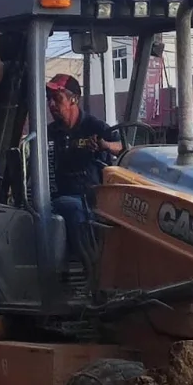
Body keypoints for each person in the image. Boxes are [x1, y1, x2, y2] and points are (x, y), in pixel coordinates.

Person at [44, 73, 122, 273]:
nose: (52, 104)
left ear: (74, 99)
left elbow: (122, 146)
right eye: (49, 99)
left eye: (57, 98)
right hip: (59, 197)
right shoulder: (50, 133)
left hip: (94, 198)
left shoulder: (94, 126)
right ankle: (85, 269)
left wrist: (104, 145)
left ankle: (100, 268)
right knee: (67, 208)